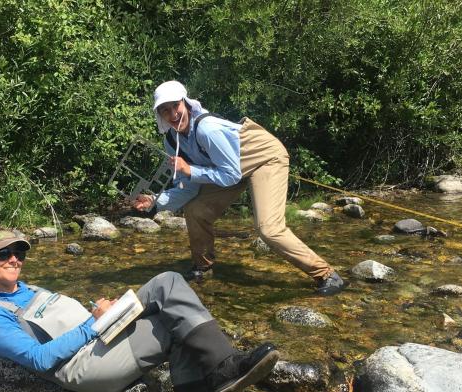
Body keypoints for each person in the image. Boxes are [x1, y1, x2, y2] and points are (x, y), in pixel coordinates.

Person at [0, 229, 279, 392]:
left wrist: (105, 309)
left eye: (19, 253)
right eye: (3, 253)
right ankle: (219, 375)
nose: (14, 259)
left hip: (101, 338)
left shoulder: (28, 288)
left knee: (171, 299)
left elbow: (70, 318)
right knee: (169, 295)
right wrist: (95, 322)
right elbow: (39, 359)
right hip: (85, 364)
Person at [133, 80, 348, 295]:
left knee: (269, 229)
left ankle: (326, 274)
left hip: (265, 159)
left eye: (175, 107)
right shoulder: (172, 140)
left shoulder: (208, 130)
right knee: (195, 210)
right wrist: (155, 202)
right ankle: (203, 267)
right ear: (160, 115)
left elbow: (230, 174)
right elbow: (188, 189)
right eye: (165, 111)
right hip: (230, 170)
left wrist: (190, 170)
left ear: (186, 103)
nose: (172, 115)